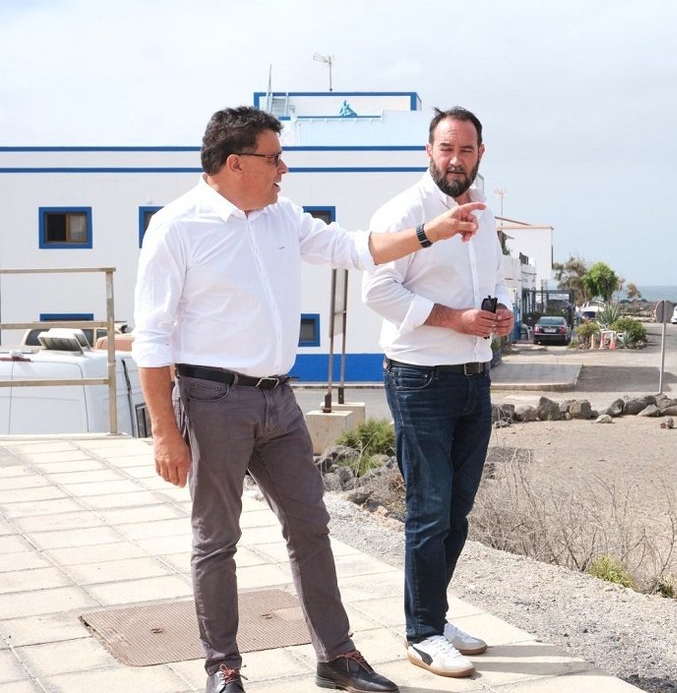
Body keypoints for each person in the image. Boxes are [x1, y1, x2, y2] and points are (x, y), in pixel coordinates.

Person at [132, 105, 483, 693]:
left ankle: (336, 657)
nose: (283, 169)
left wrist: (429, 232)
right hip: (211, 397)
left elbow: (353, 248)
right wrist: (165, 431)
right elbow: (152, 336)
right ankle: (224, 667)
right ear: (236, 162)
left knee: (311, 527)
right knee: (217, 541)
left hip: (279, 401)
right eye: (273, 158)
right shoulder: (176, 226)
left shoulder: (281, 215)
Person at [361, 107, 513, 678]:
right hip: (420, 377)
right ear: (429, 150)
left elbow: (494, 281)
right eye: (446, 148)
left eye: (466, 150)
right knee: (428, 510)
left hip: (475, 377)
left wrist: (500, 315)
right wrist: (455, 320)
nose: (456, 159)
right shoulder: (405, 211)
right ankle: (422, 633)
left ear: (480, 153)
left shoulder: (484, 211)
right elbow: (379, 291)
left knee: (457, 511)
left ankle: (435, 616)